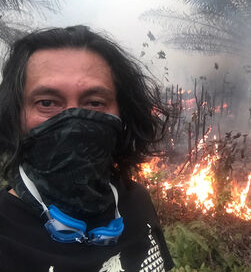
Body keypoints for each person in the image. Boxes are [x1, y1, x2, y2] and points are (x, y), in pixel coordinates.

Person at [0, 25, 174, 272]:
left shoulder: (137, 202)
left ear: (122, 114)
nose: (74, 119)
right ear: (15, 116)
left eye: (94, 102)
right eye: (47, 102)